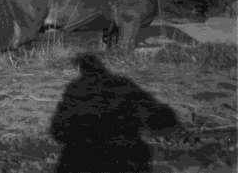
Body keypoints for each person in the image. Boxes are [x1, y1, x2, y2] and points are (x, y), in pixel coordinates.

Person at [49, 53, 181, 173]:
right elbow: (163, 119)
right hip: (124, 156)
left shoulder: (76, 89)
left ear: (81, 70)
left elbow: (58, 130)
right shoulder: (123, 85)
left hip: (85, 157)